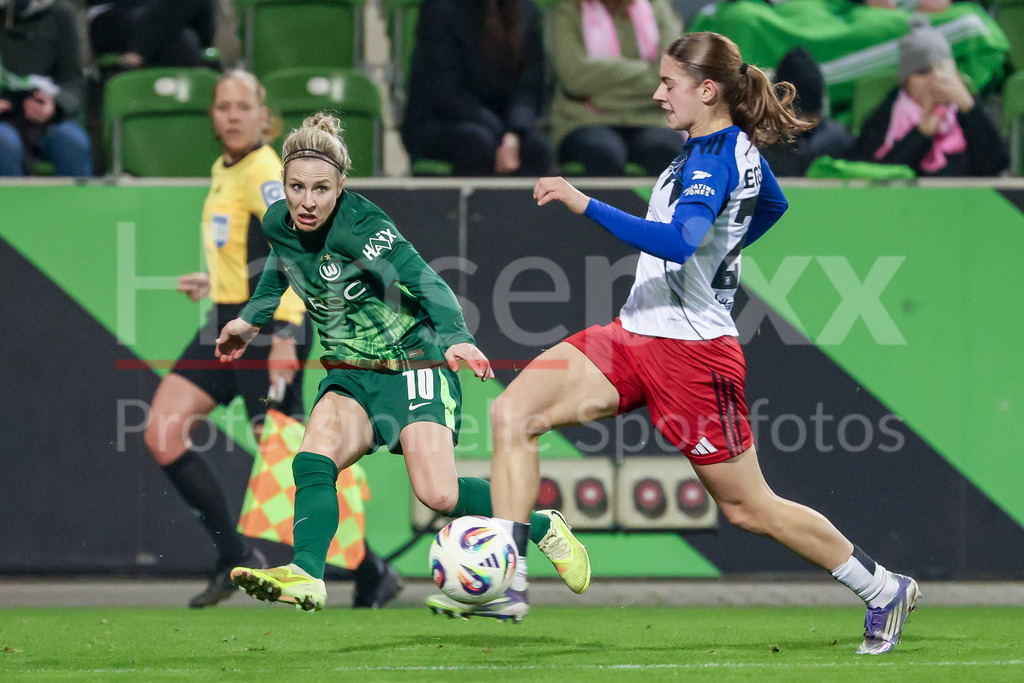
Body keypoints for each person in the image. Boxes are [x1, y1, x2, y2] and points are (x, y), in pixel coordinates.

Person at [479, 31, 919, 655]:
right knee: (512, 413)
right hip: (634, 334)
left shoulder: (715, 158)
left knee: (749, 508)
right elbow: (772, 204)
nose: (658, 95)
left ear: (706, 89)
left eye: (668, 83)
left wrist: (587, 205)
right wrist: (726, 251)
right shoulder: (714, 148)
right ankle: (507, 577)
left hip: (692, 355)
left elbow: (682, 242)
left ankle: (879, 586)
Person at [222, 112, 591, 614]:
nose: (306, 202)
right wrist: (250, 322)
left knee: (438, 495)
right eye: (296, 187)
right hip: (349, 373)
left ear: (341, 186)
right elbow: (280, 265)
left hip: (412, 364)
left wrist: (457, 337)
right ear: (283, 182)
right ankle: (307, 573)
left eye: (321, 190)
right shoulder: (277, 222)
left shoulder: (363, 226)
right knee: (313, 458)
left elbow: (425, 281)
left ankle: (544, 525)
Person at [144, 70, 401, 610]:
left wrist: (286, 333)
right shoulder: (225, 169)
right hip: (228, 320)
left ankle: (371, 569)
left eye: (244, 106)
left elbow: (298, 251)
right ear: (211, 116)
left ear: (265, 117)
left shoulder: (267, 171)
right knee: (163, 431)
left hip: (267, 331)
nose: (233, 116)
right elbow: (257, 251)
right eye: (223, 106)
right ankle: (233, 553)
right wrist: (216, 281)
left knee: (295, 460)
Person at [400, 0, 551, 177]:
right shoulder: (440, 8)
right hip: (441, 122)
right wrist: (501, 133)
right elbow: (445, 92)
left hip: (503, 124)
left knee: (536, 149)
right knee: (478, 143)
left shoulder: (526, 9)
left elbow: (529, 86)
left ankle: (526, 206)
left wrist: (514, 133)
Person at [850, 16, 1009, 177]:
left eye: (941, 70)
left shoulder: (968, 112)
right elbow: (876, 177)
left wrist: (970, 109)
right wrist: (921, 134)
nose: (934, 79)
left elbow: (996, 165)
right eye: (923, 72)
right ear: (906, 82)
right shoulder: (884, 118)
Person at [546, 0, 685, 176]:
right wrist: (647, 70)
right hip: (584, 119)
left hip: (650, 118)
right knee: (602, 151)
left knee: (665, 148)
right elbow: (574, 77)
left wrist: (601, 94)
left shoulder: (657, 7)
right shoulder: (569, 10)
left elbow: (674, 76)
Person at [0, 0, 93, 177]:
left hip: (49, 117)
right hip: (3, 118)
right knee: (3, 142)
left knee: (72, 142)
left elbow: (74, 80)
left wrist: (55, 106)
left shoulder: (61, 14)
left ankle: (76, 205)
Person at [760, 47, 854, 177]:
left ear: (819, 111)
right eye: (794, 115)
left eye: (810, 116)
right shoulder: (756, 146)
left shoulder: (836, 142)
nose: (802, 124)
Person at [86, 0, 217, 70]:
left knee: (186, 42)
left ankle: (139, 52)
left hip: (176, 14)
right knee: (185, 44)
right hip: (116, 13)